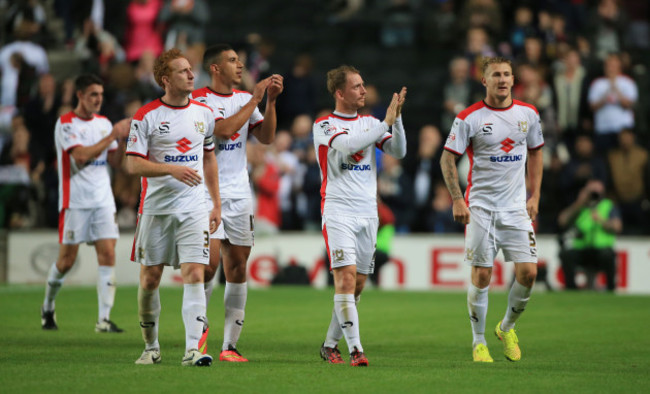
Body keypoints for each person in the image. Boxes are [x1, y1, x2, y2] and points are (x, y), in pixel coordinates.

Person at [440, 57, 544, 363]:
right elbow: (447, 159)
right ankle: (479, 342)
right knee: (482, 276)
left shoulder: (528, 114)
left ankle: (506, 327)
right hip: (481, 208)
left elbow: (536, 154)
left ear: (513, 80)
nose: (502, 79)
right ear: (483, 81)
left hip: (515, 209)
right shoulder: (468, 118)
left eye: (507, 74)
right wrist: (457, 199)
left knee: (528, 273)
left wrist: (535, 194)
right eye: (495, 74)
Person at [125, 48, 221, 367]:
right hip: (156, 208)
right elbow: (132, 165)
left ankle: (193, 349)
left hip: (193, 207)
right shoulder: (147, 115)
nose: (192, 75)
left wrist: (215, 202)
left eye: (191, 70)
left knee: (194, 272)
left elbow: (208, 157)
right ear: (166, 79)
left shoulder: (204, 114)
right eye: (183, 71)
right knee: (150, 279)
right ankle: (150, 347)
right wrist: (170, 169)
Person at [190, 43, 283, 362]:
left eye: (239, 60)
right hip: (205, 192)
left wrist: (269, 102)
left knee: (238, 266)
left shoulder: (245, 99)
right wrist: (256, 98)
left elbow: (267, 137)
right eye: (232, 61)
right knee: (208, 266)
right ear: (215, 68)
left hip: (240, 194)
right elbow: (225, 131)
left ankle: (229, 345)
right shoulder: (199, 100)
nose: (240, 65)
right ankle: (197, 339)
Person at [313, 65, 406, 366]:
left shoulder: (369, 122)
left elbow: (399, 151)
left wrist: (398, 119)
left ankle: (329, 345)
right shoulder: (324, 125)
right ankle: (356, 350)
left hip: (368, 212)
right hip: (338, 209)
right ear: (340, 93)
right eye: (356, 86)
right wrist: (385, 123)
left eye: (363, 85)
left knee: (359, 284)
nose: (363, 90)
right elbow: (349, 145)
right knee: (346, 278)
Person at [41, 74, 130, 332]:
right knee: (66, 261)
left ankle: (103, 319)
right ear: (79, 95)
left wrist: (123, 140)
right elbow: (79, 157)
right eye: (93, 94)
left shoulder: (104, 123)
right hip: (75, 201)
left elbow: (115, 162)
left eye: (101, 95)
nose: (98, 100)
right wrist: (113, 133)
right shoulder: (66, 124)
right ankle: (47, 306)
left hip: (102, 200)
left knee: (108, 253)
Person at [558, 180, 622, 291]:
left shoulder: (608, 205)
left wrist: (602, 221)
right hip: (583, 249)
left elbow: (617, 227)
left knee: (608, 255)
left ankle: (611, 289)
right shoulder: (580, 207)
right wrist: (579, 202)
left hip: (601, 250)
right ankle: (571, 289)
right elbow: (562, 221)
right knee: (566, 254)